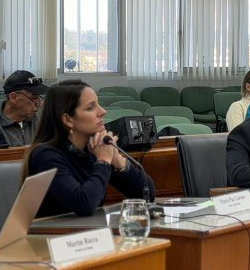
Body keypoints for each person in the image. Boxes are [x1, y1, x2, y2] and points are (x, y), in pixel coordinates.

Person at [25, 80, 154, 217]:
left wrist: (118, 161)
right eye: (90, 108)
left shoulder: (93, 149)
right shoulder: (45, 155)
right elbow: (84, 204)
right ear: (68, 120)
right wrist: (103, 161)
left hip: (89, 229)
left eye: (98, 104)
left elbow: (147, 195)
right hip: (51, 230)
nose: (103, 111)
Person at [0, 70, 48, 149]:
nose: (40, 104)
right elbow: (0, 157)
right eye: (33, 98)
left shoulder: (38, 122)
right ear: (14, 97)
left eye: (40, 98)